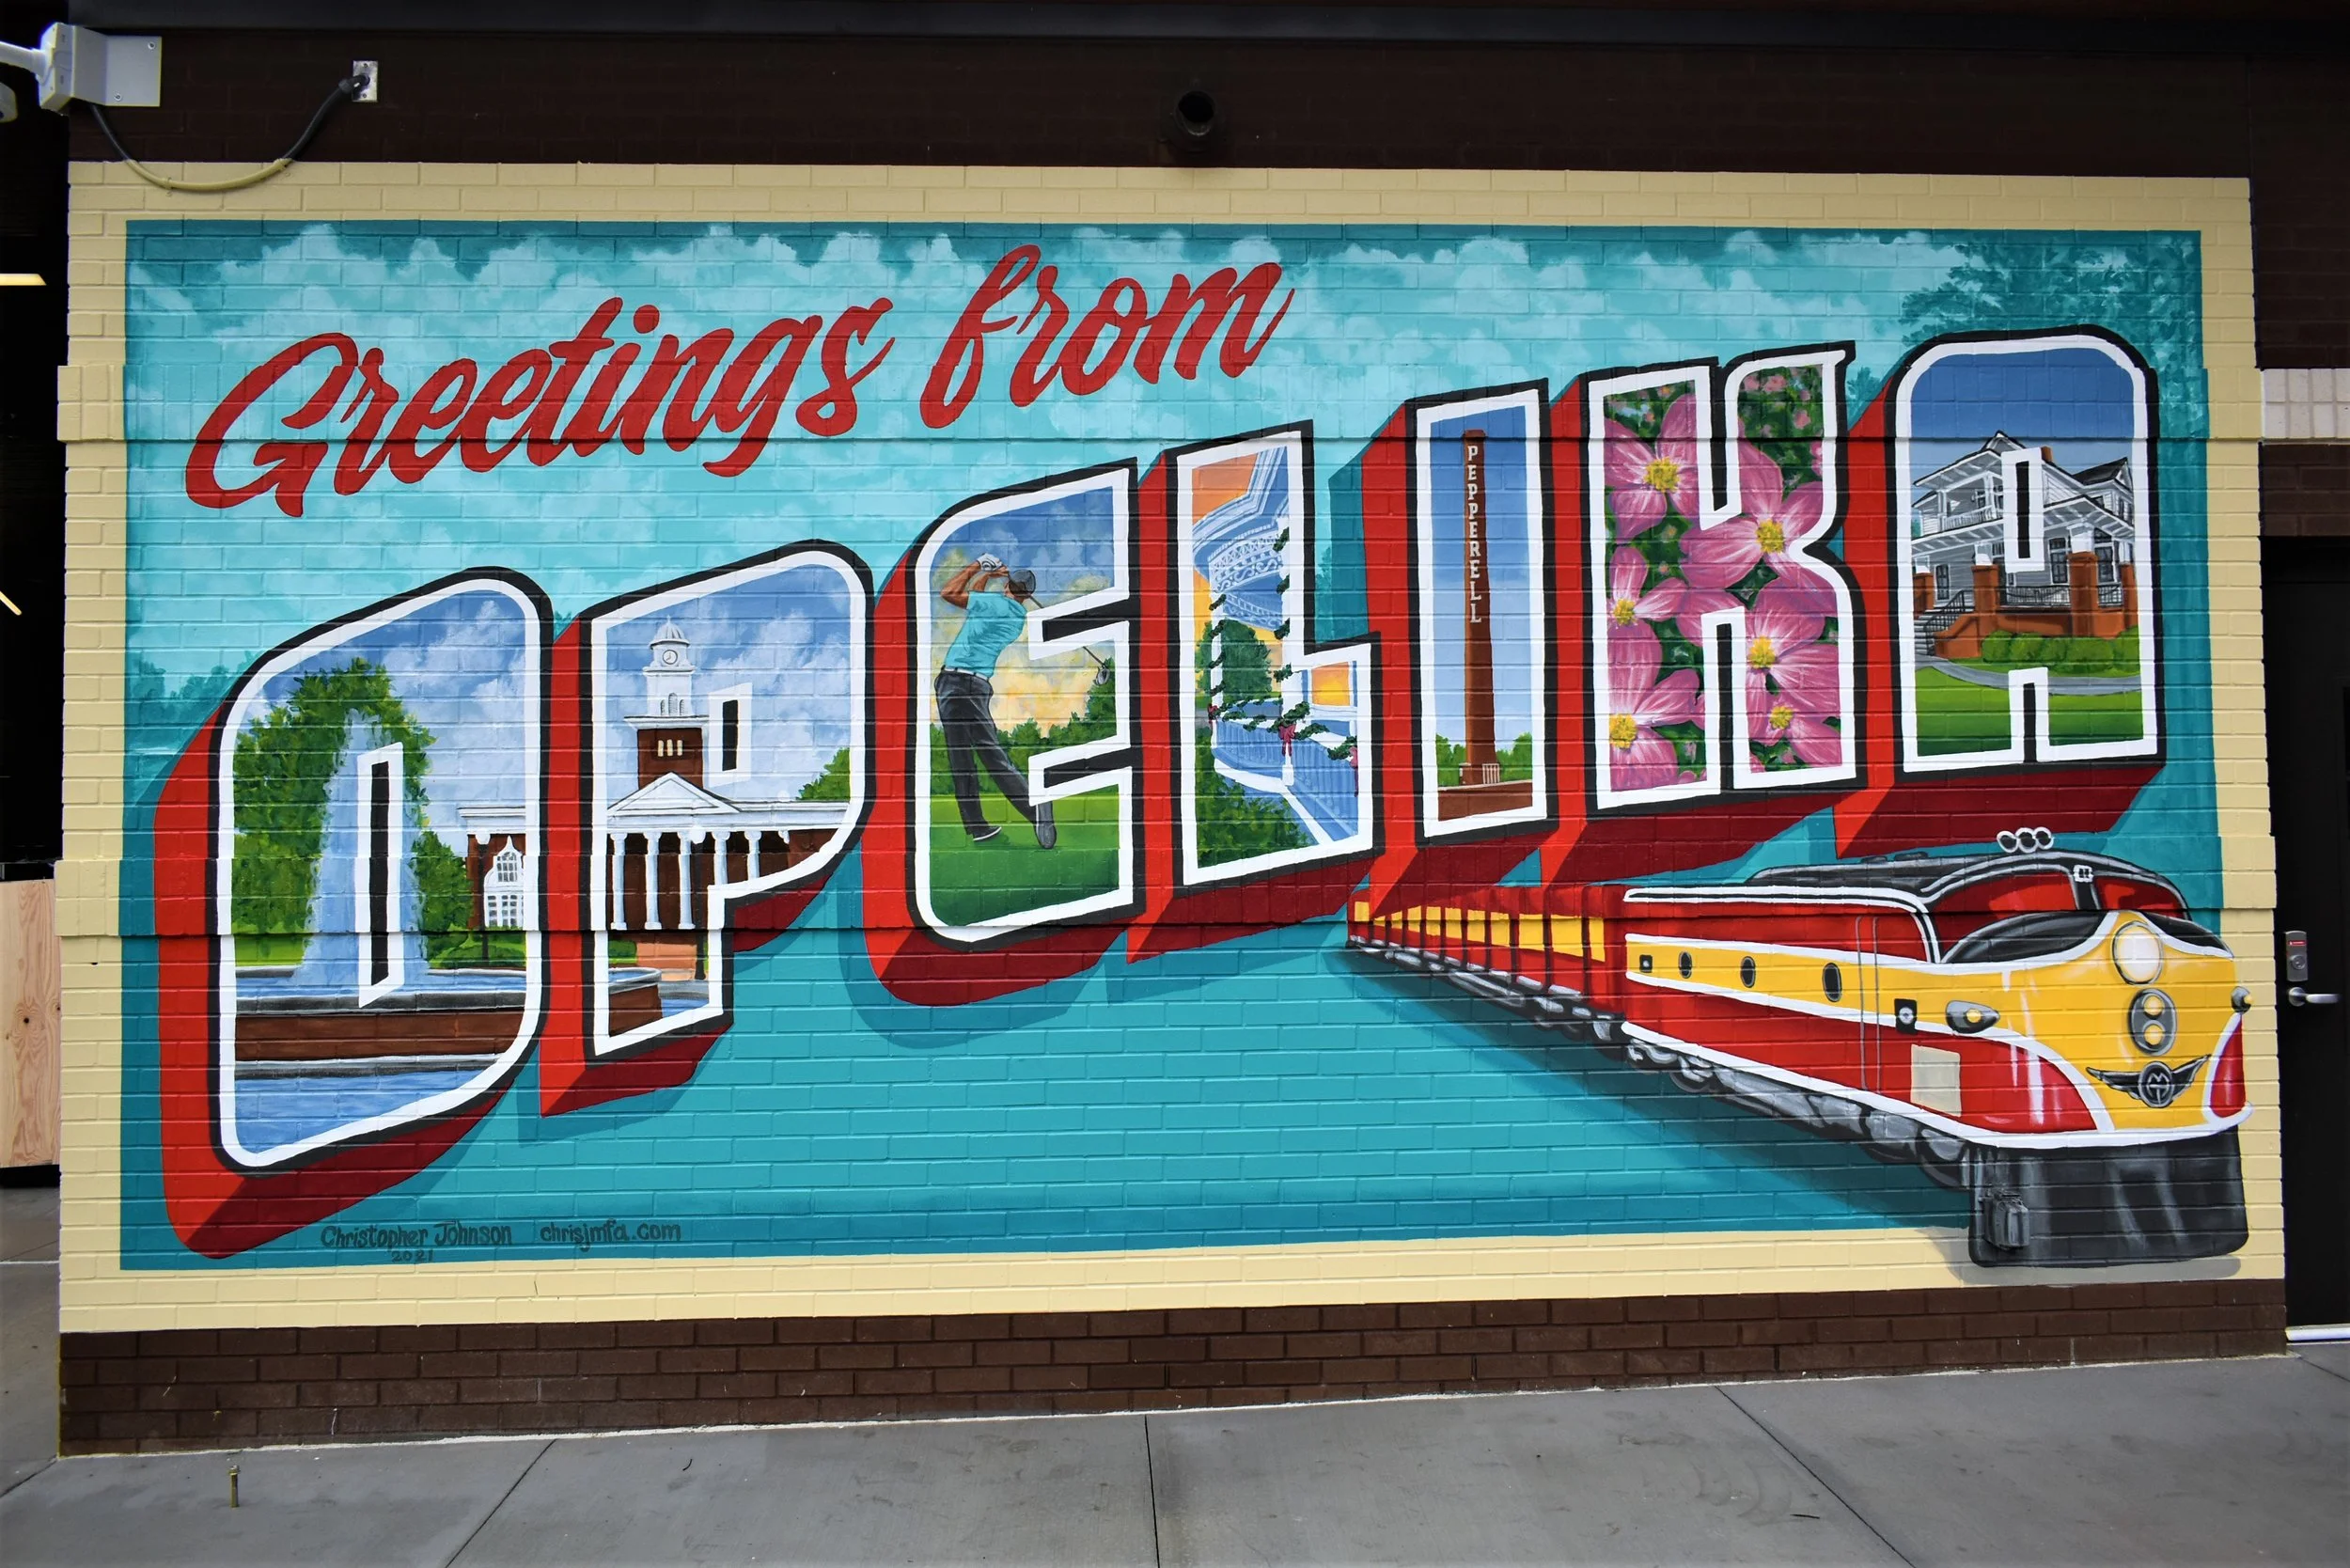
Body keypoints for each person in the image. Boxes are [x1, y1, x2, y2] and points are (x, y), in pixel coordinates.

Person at [936, 554, 1057, 848]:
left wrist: (979, 565)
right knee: (986, 755)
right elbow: (976, 597)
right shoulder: (1016, 617)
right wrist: (991, 578)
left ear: (1009, 587)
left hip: (956, 684)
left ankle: (1031, 809)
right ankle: (980, 826)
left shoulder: (996, 605)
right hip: (975, 685)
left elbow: (949, 593)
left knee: (964, 759)